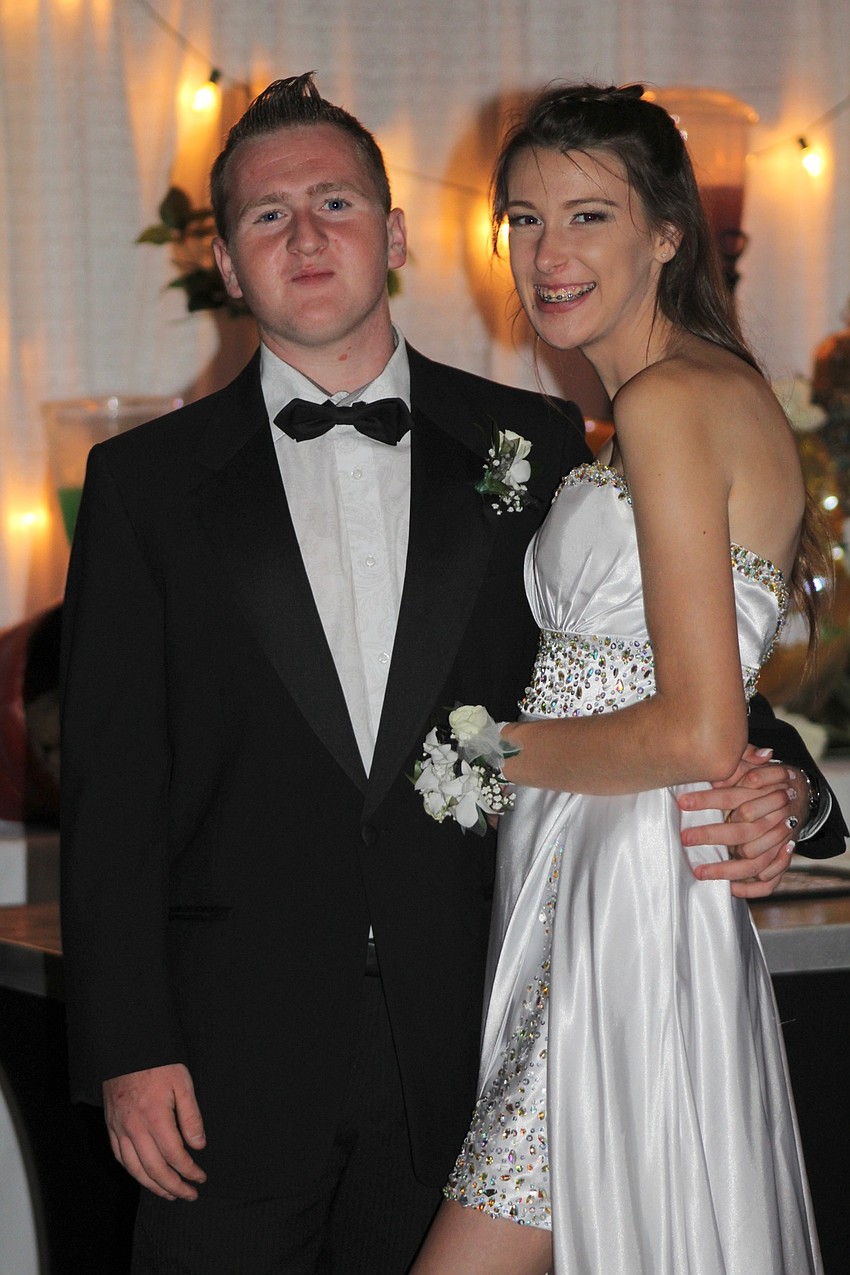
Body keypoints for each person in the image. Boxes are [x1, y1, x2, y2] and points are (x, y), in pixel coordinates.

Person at [59, 76, 843, 1275]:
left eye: (335, 201)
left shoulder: (533, 446)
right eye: (267, 216)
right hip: (227, 1074)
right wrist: (127, 1045)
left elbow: (632, 660)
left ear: (399, 233)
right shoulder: (141, 485)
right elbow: (114, 790)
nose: (306, 235)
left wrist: (786, 785)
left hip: (475, 1028)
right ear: (226, 262)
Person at [410, 83, 833, 1275]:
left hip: (627, 891)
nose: (547, 255)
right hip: (585, 871)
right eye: (525, 220)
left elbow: (700, 730)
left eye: (587, 216)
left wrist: (478, 749)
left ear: (664, 231)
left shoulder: (666, 402)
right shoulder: (660, 406)